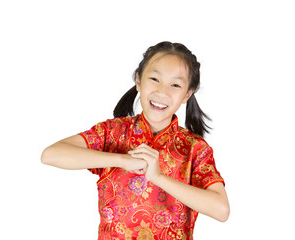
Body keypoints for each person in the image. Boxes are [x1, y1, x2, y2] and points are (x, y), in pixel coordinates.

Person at [41, 41, 230, 240]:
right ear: (138, 81)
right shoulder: (113, 133)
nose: (162, 91)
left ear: (187, 94)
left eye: (175, 85)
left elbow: (221, 210)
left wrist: (158, 177)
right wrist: (122, 160)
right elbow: (50, 155)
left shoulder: (195, 148)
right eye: (155, 79)